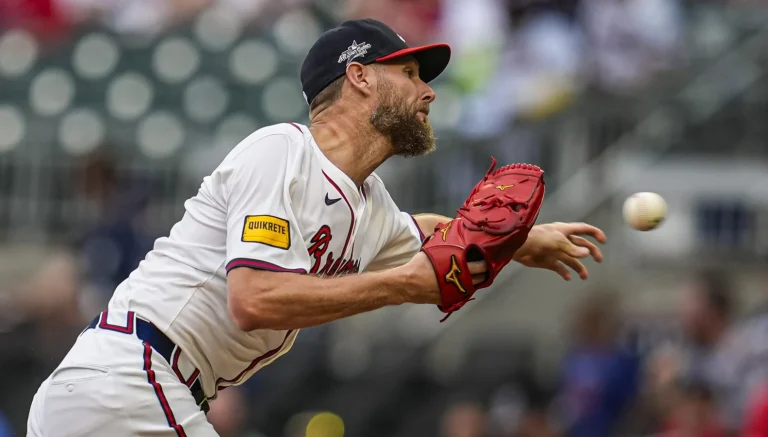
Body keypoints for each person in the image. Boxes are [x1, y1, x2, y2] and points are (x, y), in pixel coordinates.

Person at [26, 18, 606, 437]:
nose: (428, 91)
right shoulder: (283, 152)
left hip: (142, 390)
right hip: (128, 380)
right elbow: (254, 299)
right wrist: (408, 285)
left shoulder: (368, 202)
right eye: (408, 73)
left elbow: (427, 233)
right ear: (359, 77)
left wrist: (524, 241)